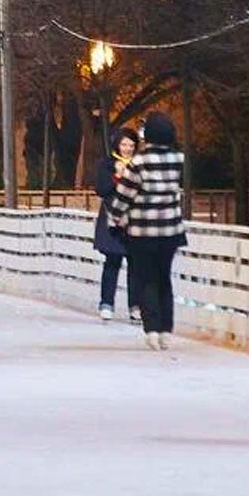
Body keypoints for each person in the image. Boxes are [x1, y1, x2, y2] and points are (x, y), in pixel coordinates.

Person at [107, 112, 186, 350]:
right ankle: (166, 330)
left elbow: (124, 195)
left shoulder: (139, 162)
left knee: (146, 279)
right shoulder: (178, 159)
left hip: (143, 230)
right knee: (164, 278)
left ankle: (152, 328)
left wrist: (115, 219)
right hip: (171, 229)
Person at [92, 128, 141, 323]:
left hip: (136, 219)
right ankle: (106, 303)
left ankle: (136, 305)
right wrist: (117, 177)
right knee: (113, 261)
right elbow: (101, 189)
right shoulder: (107, 164)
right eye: (124, 145)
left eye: (131, 145)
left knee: (136, 264)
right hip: (113, 217)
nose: (128, 149)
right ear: (117, 145)